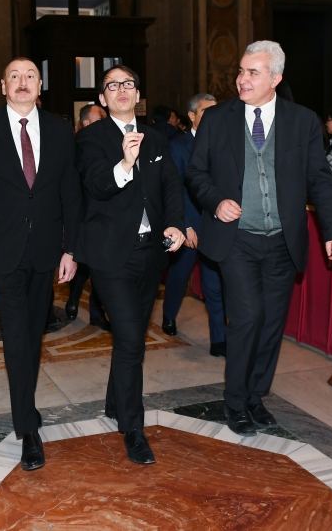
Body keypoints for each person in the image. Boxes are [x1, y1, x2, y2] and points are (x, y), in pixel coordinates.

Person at [187, 40, 332, 437]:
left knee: (272, 323)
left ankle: (257, 396)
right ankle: (235, 400)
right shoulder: (217, 119)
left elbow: (319, 180)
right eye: (241, 71)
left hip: (282, 241)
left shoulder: (303, 121)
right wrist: (216, 201)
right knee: (247, 318)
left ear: (275, 78)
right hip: (236, 240)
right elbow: (196, 173)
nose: (242, 79)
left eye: (252, 72)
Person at [0, 57, 81, 471]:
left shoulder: (61, 130)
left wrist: (71, 249)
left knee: (33, 334)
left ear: (40, 85)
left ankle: (26, 407)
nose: (23, 82)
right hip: (0, 253)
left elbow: (70, 194)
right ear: (3, 86)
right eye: (14, 76)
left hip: (46, 252)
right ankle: (27, 428)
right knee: (16, 338)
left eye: (30, 76)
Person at [76, 65, 186, 465]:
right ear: (102, 98)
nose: (121, 90)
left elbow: (171, 186)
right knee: (131, 339)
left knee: (132, 334)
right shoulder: (91, 138)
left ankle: (114, 402)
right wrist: (123, 164)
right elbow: (95, 185)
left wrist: (175, 222)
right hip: (110, 255)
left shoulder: (157, 137)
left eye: (128, 84)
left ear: (137, 93)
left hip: (151, 252)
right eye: (112, 86)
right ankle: (133, 429)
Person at [161, 93, 226, 357]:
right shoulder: (178, 146)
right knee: (179, 276)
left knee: (214, 283)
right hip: (188, 225)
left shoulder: (223, 143)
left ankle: (219, 339)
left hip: (214, 226)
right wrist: (185, 225)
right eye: (206, 111)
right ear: (192, 116)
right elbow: (174, 188)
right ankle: (168, 316)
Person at [64, 103, 109, 329]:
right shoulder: (74, 145)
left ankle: (96, 312)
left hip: (102, 214)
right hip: (81, 214)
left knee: (97, 265)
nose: (104, 121)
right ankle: (73, 300)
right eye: (99, 118)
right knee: (81, 263)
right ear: (86, 123)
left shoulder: (110, 143)